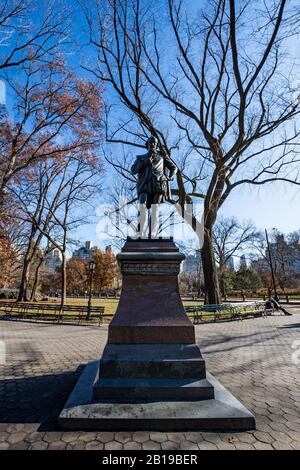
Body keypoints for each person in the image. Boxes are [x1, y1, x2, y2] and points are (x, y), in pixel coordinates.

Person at [131, 136, 177, 237]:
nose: (152, 144)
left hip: (159, 184)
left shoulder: (162, 156)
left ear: (156, 145)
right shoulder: (140, 158)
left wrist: (170, 176)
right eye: (150, 142)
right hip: (144, 184)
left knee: (155, 208)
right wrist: (145, 162)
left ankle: (153, 234)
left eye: (154, 143)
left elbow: (174, 167)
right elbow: (133, 170)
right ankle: (140, 234)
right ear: (147, 145)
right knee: (142, 206)